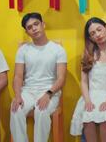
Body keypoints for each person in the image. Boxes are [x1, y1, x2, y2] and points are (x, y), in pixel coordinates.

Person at [10, 12, 67, 142]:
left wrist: (48, 94)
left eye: (36, 24)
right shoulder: (23, 50)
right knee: (15, 109)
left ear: (43, 25)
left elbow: (61, 78)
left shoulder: (58, 49)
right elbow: (18, 76)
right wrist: (18, 95)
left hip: (50, 91)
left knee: (41, 111)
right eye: (29, 27)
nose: (34, 28)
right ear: (27, 32)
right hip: (28, 91)